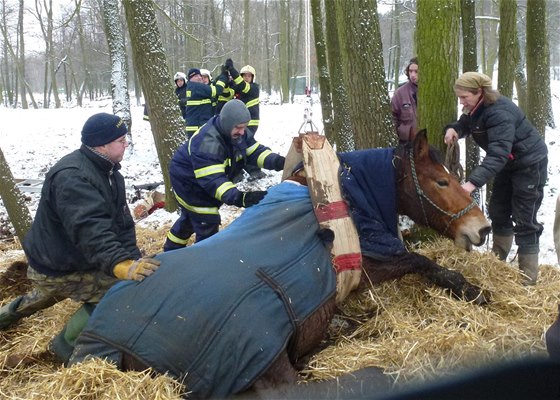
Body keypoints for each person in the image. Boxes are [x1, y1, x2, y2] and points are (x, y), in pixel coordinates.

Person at [0, 113, 161, 362]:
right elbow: (91, 231)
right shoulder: (73, 177)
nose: (126, 144)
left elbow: (123, 224)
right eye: (121, 139)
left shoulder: (110, 173)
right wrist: (120, 267)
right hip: (59, 264)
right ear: (101, 144)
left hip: (70, 257)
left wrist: (131, 258)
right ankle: (62, 348)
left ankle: (6, 317)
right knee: (118, 290)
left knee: (40, 298)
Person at [444, 71, 548, 285]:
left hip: (529, 165)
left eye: (464, 97)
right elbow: (466, 122)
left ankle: (528, 280)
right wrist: (454, 129)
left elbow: (498, 153)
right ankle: (498, 263)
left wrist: (471, 184)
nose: (461, 101)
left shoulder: (499, 112)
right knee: (498, 211)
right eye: (459, 97)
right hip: (507, 165)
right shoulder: (476, 107)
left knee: (525, 219)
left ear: (479, 92)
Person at [163, 99, 286, 251]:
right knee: (207, 220)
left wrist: (280, 162)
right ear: (227, 123)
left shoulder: (236, 133)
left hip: (203, 179)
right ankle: (204, 259)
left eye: (245, 127)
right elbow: (214, 182)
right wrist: (241, 198)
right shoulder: (208, 143)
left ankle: (170, 251)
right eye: (239, 128)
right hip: (188, 182)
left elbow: (255, 152)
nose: (242, 132)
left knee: (190, 218)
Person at [184, 67, 228, 138]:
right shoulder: (197, 87)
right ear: (190, 79)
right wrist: (223, 76)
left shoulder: (192, 87)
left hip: (195, 127)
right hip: (198, 127)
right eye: (195, 76)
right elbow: (217, 90)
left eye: (199, 76)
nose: (199, 78)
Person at [391, 57, 418, 143]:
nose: (413, 75)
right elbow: (392, 116)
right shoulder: (400, 93)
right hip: (405, 143)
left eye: (416, 71)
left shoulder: (430, 91)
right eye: (410, 71)